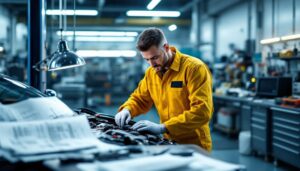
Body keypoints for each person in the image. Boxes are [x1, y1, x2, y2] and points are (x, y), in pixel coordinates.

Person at [114, 27, 213, 151]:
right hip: (167, 142)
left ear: (166, 48)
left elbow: (201, 112)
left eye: (155, 57)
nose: (152, 64)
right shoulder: (151, 73)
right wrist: (127, 110)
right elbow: (140, 99)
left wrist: (163, 127)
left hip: (194, 144)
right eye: (147, 59)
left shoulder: (194, 68)